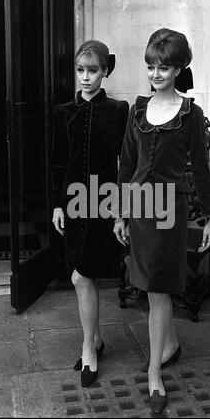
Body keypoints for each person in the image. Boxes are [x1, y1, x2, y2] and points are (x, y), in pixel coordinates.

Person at [114, 28, 210, 413]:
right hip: (141, 209)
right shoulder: (137, 109)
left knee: (159, 289)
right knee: (148, 286)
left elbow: (202, 170)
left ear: (179, 69)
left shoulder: (191, 114)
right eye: (150, 66)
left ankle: (155, 373)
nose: (155, 73)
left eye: (163, 67)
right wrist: (121, 213)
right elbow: (127, 163)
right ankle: (171, 346)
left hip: (170, 213)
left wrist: (208, 218)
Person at [51, 40, 129, 387]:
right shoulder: (62, 112)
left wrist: (122, 210)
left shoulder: (118, 110)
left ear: (105, 70)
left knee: (83, 277)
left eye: (93, 70)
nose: (85, 78)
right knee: (82, 277)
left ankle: (89, 348)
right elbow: (56, 162)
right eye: (80, 71)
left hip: (102, 204)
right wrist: (56, 204)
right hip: (72, 204)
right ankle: (94, 340)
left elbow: (125, 163)